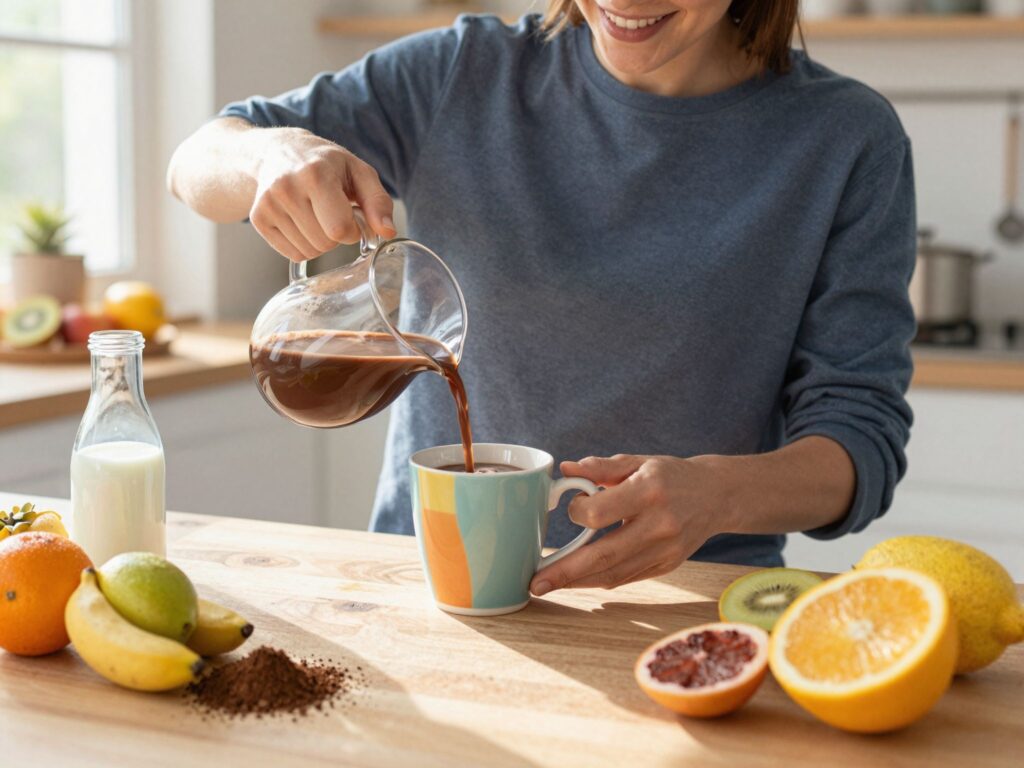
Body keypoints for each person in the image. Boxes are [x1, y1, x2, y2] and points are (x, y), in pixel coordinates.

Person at [168, 1, 915, 598]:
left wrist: (717, 495)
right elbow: (197, 159)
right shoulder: (460, 72)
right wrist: (267, 152)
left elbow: (859, 439)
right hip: (429, 589)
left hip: (695, 599)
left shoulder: (846, 138)